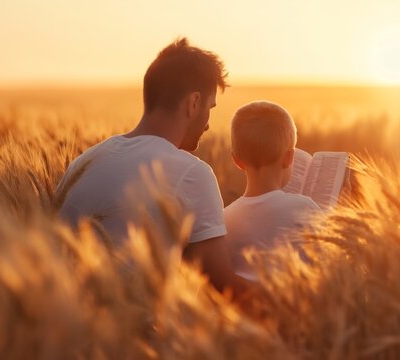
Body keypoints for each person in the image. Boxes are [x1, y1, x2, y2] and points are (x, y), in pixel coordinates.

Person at [57, 38, 250, 296]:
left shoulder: (82, 163)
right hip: (142, 332)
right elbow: (226, 290)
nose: (207, 124)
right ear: (193, 103)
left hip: (66, 327)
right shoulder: (192, 173)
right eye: (210, 107)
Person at [224, 101, 320, 280]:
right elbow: (329, 267)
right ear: (289, 157)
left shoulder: (223, 218)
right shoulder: (304, 208)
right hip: (297, 306)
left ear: (236, 160)